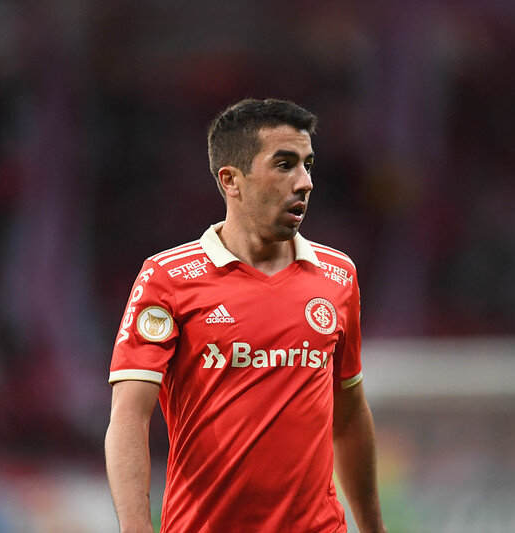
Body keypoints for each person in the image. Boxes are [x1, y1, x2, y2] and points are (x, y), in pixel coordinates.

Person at [105, 98, 386, 532]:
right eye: (285, 165)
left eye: (308, 165)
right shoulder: (167, 278)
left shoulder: (338, 275)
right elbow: (129, 416)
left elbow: (348, 415)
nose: (305, 182)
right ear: (231, 180)